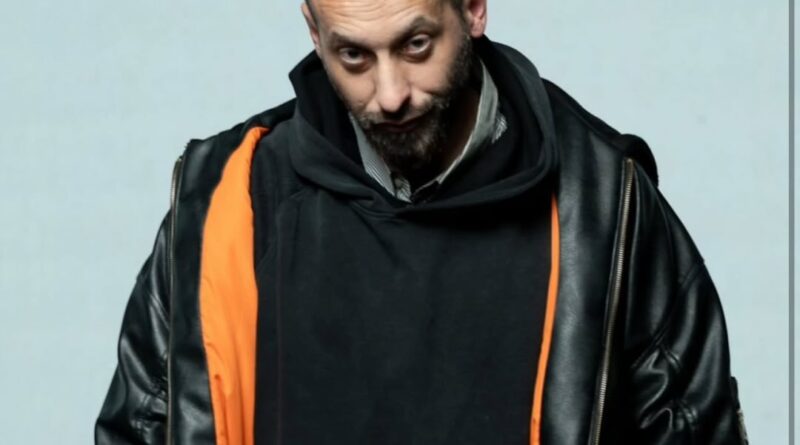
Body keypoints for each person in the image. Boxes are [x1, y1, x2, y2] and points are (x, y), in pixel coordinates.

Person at [95, 0, 749, 444]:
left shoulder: (605, 206)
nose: (390, 94)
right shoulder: (224, 206)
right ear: (314, 33)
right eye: (353, 56)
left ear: (474, 9)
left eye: (415, 45)